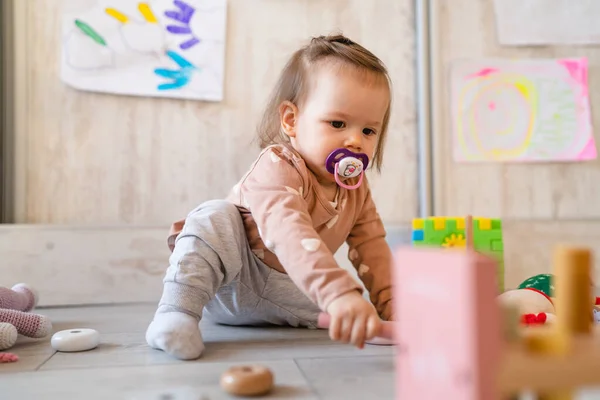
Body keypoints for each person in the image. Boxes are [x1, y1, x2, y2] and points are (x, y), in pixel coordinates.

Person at [145, 34, 395, 360]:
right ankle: (175, 313)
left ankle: (374, 324)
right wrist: (335, 293)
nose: (355, 141)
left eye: (368, 131)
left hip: (292, 289)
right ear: (291, 120)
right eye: (338, 123)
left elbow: (372, 249)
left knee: (355, 308)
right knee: (214, 215)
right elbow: (288, 232)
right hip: (233, 280)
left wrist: (393, 309)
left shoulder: (356, 190)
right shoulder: (277, 166)